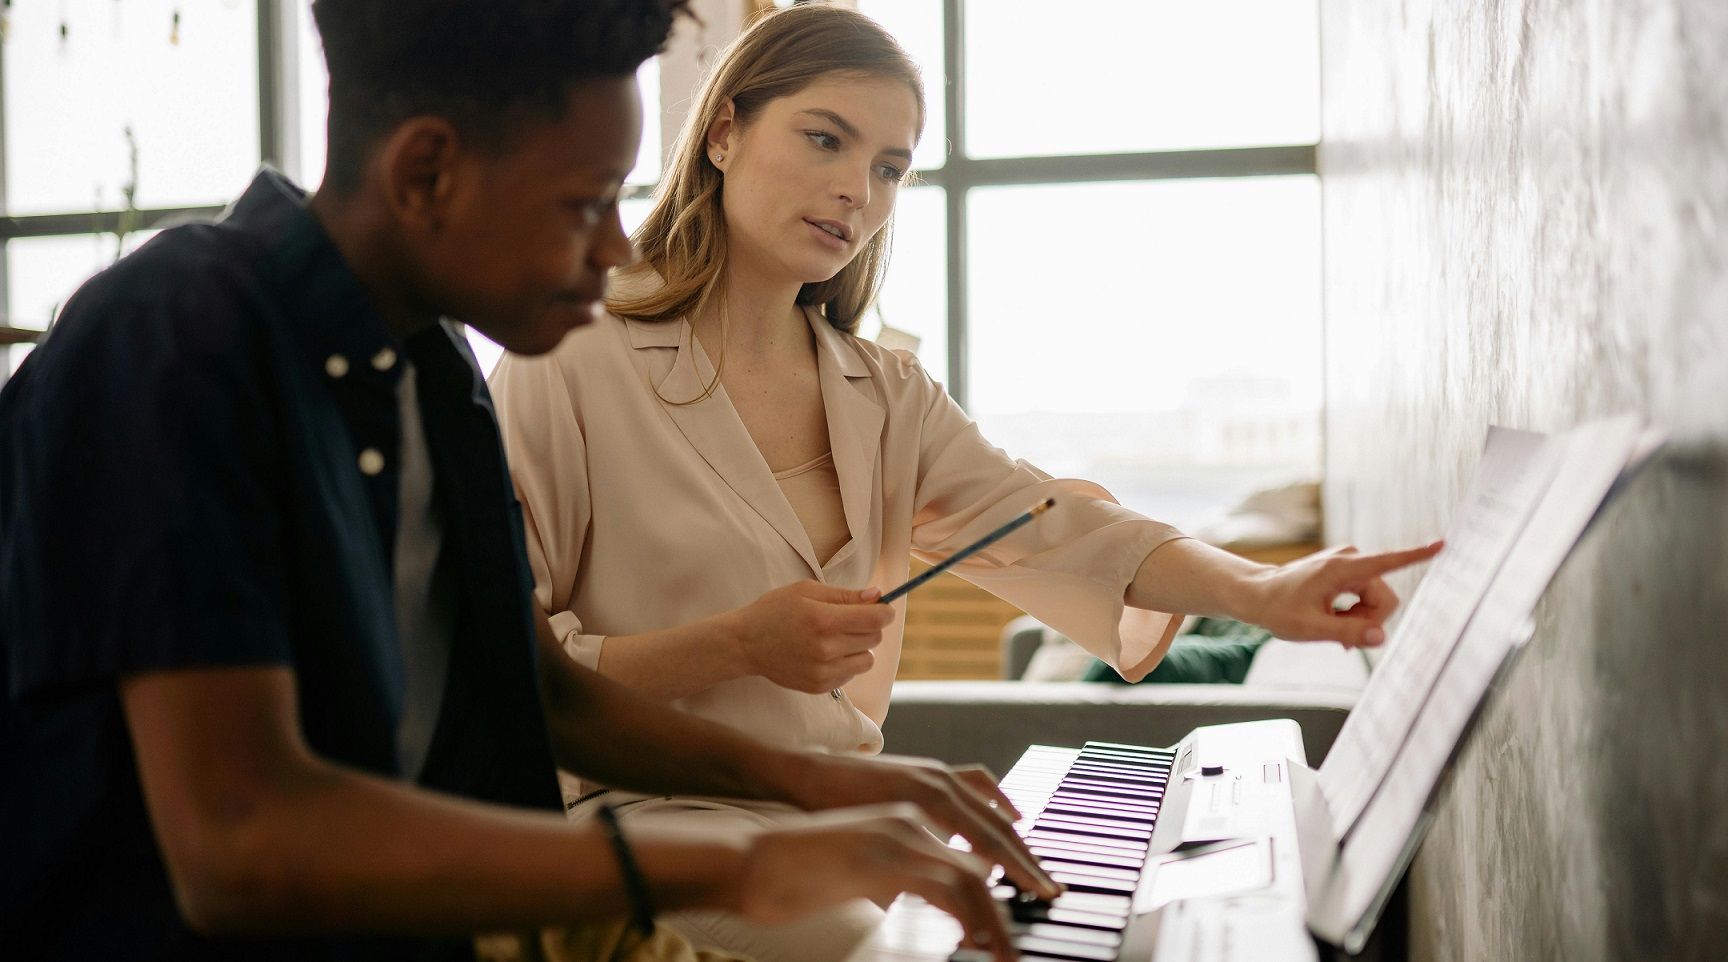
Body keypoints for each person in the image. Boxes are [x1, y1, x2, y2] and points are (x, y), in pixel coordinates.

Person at [0, 2, 1057, 960]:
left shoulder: (432, 367)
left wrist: (824, 780)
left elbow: (534, 685)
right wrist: (738, 864)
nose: (613, 248)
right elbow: (241, 840)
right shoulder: (178, 337)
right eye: (585, 201)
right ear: (426, 173)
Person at [489, 6, 1442, 959]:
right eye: (826, 138)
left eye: (889, 168)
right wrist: (736, 643)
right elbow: (512, 674)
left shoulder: (887, 394)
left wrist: (1263, 590)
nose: (855, 190)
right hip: (644, 823)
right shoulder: (570, 357)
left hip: (838, 817)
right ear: (726, 131)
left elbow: (1059, 528)